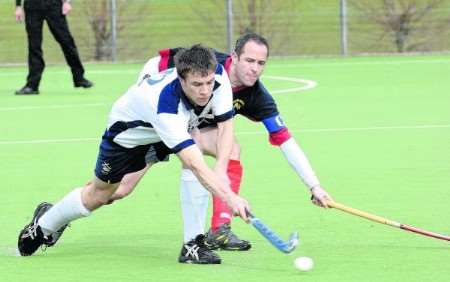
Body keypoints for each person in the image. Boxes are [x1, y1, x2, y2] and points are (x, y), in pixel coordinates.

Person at [17, 45, 251, 265]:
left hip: (171, 129)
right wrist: (229, 197)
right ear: (181, 80)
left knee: (197, 146)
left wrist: (221, 169)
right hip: (127, 137)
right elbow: (196, 164)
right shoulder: (165, 106)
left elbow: (226, 126)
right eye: (197, 84)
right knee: (105, 194)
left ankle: (193, 244)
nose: (205, 90)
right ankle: (43, 225)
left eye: (208, 83)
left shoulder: (218, 73)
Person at [108, 33, 334, 252]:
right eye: (249, 60)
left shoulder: (258, 97)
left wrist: (314, 186)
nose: (255, 68)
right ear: (234, 58)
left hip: (193, 130)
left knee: (230, 148)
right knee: (120, 189)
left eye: (261, 63)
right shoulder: (208, 65)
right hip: (161, 120)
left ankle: (218, 230)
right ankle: (83, 202)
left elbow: (285, 140)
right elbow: (160, 63)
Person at [14, 0, 93, 95]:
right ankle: (32, 85)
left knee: (66, 41)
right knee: (34, 46)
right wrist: (18, 6)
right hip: (32, 6)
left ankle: (79, 77)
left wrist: (66, 2)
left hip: (53, 4)